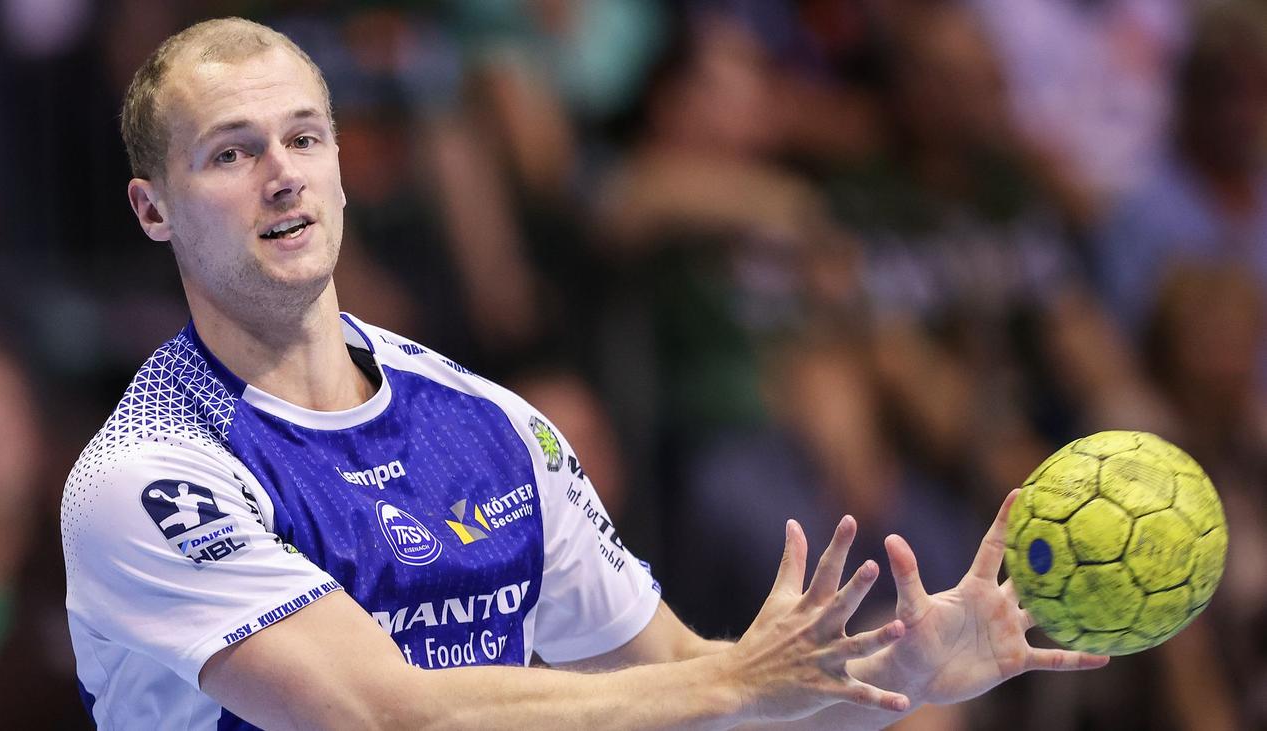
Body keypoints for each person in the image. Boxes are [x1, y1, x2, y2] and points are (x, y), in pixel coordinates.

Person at [60, 17, 1109, 729]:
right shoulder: (151, 475)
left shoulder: (493, 427)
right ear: (153, 208)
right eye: (231, 152)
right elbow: (381, 712)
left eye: (303, 137)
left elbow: (689, 690)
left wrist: (899, 673)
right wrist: (728, 681)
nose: (282, 173)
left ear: (339, 166)